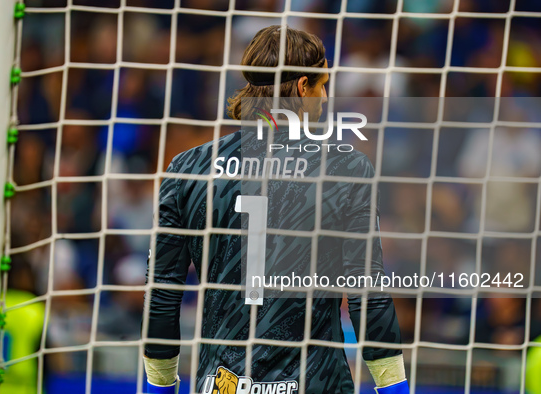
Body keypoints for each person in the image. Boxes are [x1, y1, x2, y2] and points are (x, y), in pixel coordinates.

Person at [143, 25, 408, 394]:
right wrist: (393, 389)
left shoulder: (188, 169)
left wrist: (160, 389)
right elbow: (367, 292)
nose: (326, 97)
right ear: (302, 87)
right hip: (315, 384)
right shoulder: (343, 169)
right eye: (322, 85)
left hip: (222, 386)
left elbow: (162, 293)